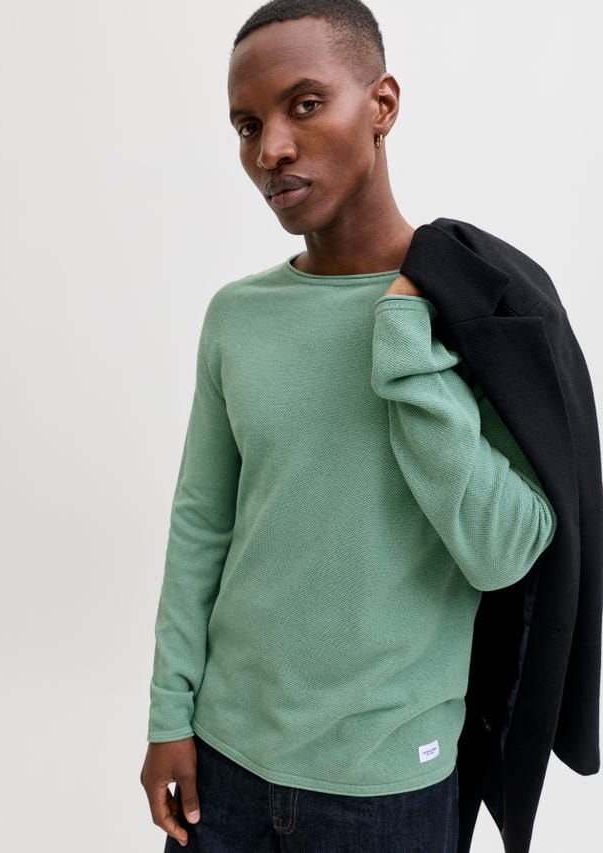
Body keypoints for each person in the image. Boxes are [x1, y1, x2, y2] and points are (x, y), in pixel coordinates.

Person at [140, 1, 563, 850]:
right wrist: (168, 716)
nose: (271, 149)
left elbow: (504, 551)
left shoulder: (478, 311)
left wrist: (408, 345)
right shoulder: (237, 316)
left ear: (382, 104)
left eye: (304, 105)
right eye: (247, 125)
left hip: (389, 788)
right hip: (223, 764)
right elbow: (202, 524)